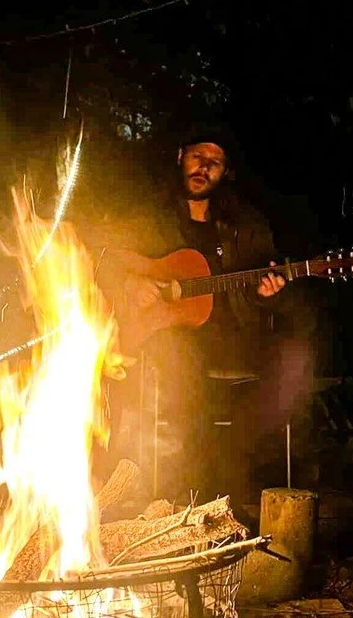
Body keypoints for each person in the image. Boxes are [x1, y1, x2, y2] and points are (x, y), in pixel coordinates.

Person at [93, 125, 308, 504]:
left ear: (225, 173)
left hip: (236, 340)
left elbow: (275, 299)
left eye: (215, 162)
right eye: (198, 156)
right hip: (168, 346)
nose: (204, 167)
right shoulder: (152, 217)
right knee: (183, 366)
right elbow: (106, 261)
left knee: (288, 365)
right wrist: (130, 286)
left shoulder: (247, 224)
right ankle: (183, 497)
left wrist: (267, 295)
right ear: (180, 156)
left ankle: (240, 496)